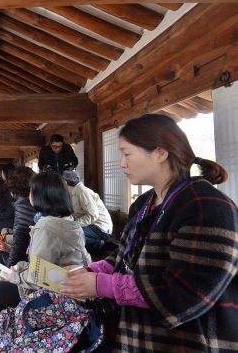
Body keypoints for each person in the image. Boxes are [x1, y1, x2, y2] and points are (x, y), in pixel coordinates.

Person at [61, 114, 238, 352]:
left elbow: (187, 292)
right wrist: (91, 271)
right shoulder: (145, 202)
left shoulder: (207, 205)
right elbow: (125, 255)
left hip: (191, 339)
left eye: (127, 153)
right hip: (140, 335)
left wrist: (104, 285)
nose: (122, 163)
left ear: (160, 153)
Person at [0, 172, 91, 312]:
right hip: (70, 286)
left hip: (57, 294)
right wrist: (20, 267)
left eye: (32, 191)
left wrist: (14, 277)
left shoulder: (46, 227)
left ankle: (7, 305)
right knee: (4, 264)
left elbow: (37, 276)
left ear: (40, 197)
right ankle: (6, 302)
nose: (29, 195)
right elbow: (41, 262)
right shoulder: (70, 219)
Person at [0, 167, 36, 270]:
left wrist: (10, 270)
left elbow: (18, 245)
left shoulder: (22, 205)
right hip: (38, 256)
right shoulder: (41, 200)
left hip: (31, 263)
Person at [62, 170, 113, 253]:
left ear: (65, 182)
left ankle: (100, 245)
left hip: (100, 228)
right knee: (68, 229)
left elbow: (93, 215)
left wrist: (75, 223)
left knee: (72, 233)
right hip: (92, 225)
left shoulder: (82, 191)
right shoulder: (74, 192)